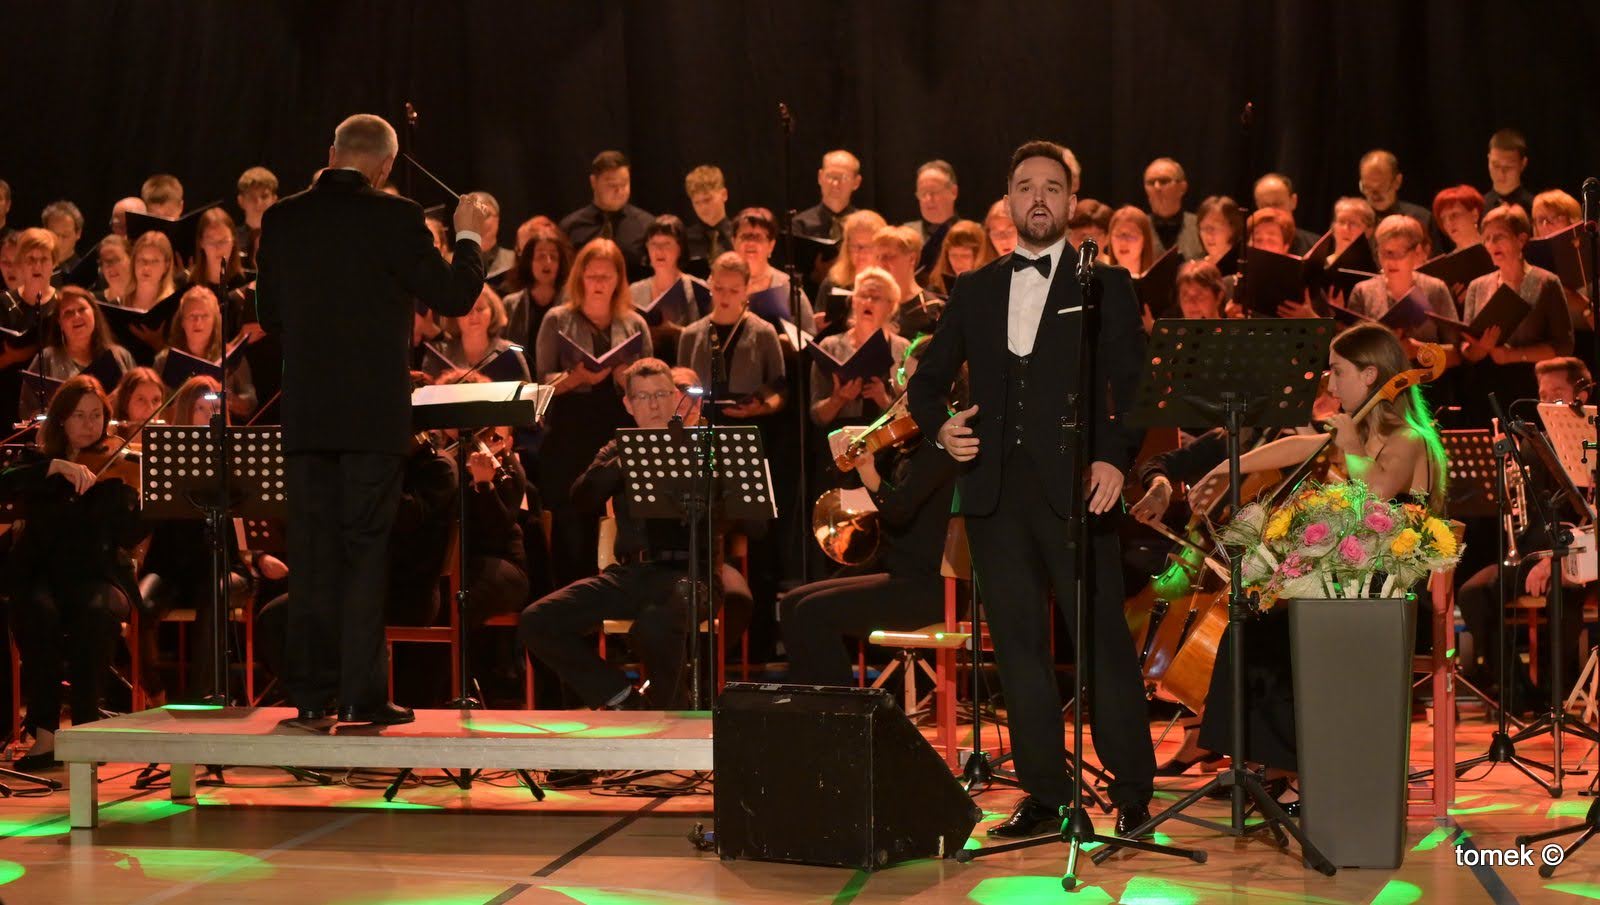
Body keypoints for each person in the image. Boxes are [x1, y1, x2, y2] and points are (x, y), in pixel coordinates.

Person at [906, 139, 1153, 838]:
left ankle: (1134, 793)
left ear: (1070, 201)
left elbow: (1137, 389)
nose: (1038, 198)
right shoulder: (976, 288)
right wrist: (941, 428)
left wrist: (1114, 459)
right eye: (1025, 186)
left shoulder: (1104, 284)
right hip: (993, 494)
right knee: (1017, 650)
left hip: (1079, 490)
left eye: (1051, 186)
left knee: (1102, 643)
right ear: (1008, 201)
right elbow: (926, 383)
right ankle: (1046, 795)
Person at [255, 112, 490, 725]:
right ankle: (362, 695)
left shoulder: (282, 218)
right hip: (372, 421)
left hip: (308, 418)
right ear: (385, 167)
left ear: (331, 151)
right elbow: (455, 295)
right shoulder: (397, 217)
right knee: (364, 554)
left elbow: (269, 315)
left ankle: (311, 694)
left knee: (312, 556)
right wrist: (468, 236)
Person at [1187, 324, 1450, 809]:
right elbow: (1297, 448)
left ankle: (1305, 772)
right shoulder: (1360, 431)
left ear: (1370, 374)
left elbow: (1373, 495)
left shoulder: (1409, 439)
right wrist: (1229, 466)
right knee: (1248, 630)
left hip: (1384, 595)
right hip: (1347, 586)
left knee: (1281, 636)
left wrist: (1349, 446)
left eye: (1337, 371)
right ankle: (1274, 763)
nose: (1329, 383)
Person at [518, 357, 754, 709]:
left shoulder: (705, 449)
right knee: (537, 621)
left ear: (674, 397)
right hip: (630, 574)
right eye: (643, 397)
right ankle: (623, 698)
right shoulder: (618, 448)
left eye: (661, 394)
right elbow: (582, 498)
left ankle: (674, 713)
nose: (654, 405)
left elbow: (746, 519)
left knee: (654, 624)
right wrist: (631, 459)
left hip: (692, 575)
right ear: (628, 405)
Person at [2, 376, 147, 769]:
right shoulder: (38, 463)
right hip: (39, 573)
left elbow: (128, 536)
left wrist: (145, 501)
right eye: (79, 415)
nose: (89, 424)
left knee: (96, 614)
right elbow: (5, 482)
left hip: (96, 574)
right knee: (38, 614)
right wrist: (54, 467)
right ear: (62, 420)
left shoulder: (117, 469)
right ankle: (46, 733)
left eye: (97, 415)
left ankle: (85, 725)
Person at [1456, 357, 1591, 709]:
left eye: (1557, 392)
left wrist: (1550, 561)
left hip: (1577, 555)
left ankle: (1553, 694)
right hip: (1530, 552)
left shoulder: (1590, 441)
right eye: (1543, 395)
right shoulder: (1533, 442)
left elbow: (1587, 518)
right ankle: (1515, 691)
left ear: (1582, 393)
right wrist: (1506, 465)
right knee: (1473, 593)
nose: (1547, 402)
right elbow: (1520, 510)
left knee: (1563, 592)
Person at [534, 237, 653, 588]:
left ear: (619, 280)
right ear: (580, 278)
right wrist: (577, 378)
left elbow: (650, 383)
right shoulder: (557, 319)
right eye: (592, 276)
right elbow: (541, 382)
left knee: (619, 519)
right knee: (571, 524)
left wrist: (625, 378)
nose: (599, 283)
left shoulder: (634, 323)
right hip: (570, 431)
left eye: (606, 276)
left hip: (617, 427)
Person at [1458, 204, 1574, 412]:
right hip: (1487, 388)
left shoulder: (1546, 282)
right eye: (1487, 238)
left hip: (1535, 385)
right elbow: (1468, 349)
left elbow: (1564, 346)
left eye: (1499, 237)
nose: (1492, 244)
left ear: (1521, 239)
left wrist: (1512, 355)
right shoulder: (1477, 286)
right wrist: (1482, 348)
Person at [676, 252, 786, 418]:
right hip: (700, 422)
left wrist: (761, 408)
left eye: (734, 290)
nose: (725, 296)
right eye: (719, 288)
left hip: (749, 423)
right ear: (710, 283)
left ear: (746, 289)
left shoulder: (764, 332)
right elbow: (680, 387)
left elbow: (779, 388)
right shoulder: (690, 334)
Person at [19, 287, 135, 421]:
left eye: (82, 309)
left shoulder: (120, 356)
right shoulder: (46, 358)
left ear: (94, 313)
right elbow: (28, 411)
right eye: (68, 313)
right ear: (60, 322)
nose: (77, 316)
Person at [1345, 215, 1460, 348]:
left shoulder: (1435, 289)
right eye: (1385, 253)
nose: (1390, 261)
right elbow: (1351, 349)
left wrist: (1417, 349)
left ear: (1417, 252)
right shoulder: (1363, 291)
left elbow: (1455, 351)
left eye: (1398, 253)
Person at [153, 285, 257, 419]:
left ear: (215, 321)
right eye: (192, 316)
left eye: (205, 316)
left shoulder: (230, 356)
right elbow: (154, 409)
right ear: (182, 321)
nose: (198, 321)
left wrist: (225, 397)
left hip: (220, 428)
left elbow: (250, 402)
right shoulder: (164, 360)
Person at [558, 150, 653, 281]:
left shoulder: (646, 225)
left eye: (624, 183)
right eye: (612, 185)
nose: (619, 190)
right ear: (593, 182)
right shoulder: (571, 227)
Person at [628, 214, 707, 362]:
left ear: (680, 248)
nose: (659, 250)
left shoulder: (696, 288)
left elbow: (708, 338)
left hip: (685, 365)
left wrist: (679, 332)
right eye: (654, 244)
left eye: (667, 244)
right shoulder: (634, 291)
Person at [421, 285, 530, 383]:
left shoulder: (509, 352)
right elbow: (425, 395)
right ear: (455, 316)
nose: (474, 316)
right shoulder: (439, 353)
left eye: (480, 309)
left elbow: (528, 394)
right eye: (467, 310)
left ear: (492, 312)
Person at [500, 222, 573, 350]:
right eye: (541, 256)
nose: (548, 262)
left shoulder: (571, 303)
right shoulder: (510, 304)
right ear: (529, 262)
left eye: (553, 257)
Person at [815, 209, 887, 337]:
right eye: (855, 246)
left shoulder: (889, 285)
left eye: (867, 246)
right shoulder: (833, 282)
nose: (860, 253)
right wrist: (816, 326)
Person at [873, 225, 941, 336]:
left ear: (911, 259)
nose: (881, 264)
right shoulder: (870, 303)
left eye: (888, 256)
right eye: (877, 257)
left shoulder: (932, 308)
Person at [1358, 149, 1435, 240]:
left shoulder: (1421, 218)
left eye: (1381, 186)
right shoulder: (1353, 221)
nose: (1374, 195)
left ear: (1397, 182)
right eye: (1367, 187)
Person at [905, 160, 960, 277]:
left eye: (934, 192)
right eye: (923, 193)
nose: (928, 199)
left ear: (953, 192)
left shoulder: (974, 233)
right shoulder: (904, 235)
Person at [1142, 158, 1202, 259]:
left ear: (1182, 187)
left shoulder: (1201, 227)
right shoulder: (1138, 228)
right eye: (1151, 182)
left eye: (1164, 181)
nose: (1157, 187)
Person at [1254, 173, 1321, 254]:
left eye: (1277, 204)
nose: (1271, 211)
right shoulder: (1247, 246)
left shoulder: (1314, 247)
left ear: (1293, 201)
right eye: (1264, 206)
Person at [682, 165, 735, 267]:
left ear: (724, 194)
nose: (703, 207)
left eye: (707, 200)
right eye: (696, 202)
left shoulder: (738, 236)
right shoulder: (685, 240)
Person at [926, 220, 993, 297]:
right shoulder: (935, 290)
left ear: (980, 256)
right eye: (953, 255)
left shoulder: (992, 285)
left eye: (965, 256)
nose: (958, 261)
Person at [462, 191, 516, 285]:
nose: (480, 221)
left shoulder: (515, 261)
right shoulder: (450, 262)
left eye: (486, 214)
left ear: (498, 219)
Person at [235, 166, 279, 268]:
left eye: (264, 196)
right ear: (240, 201)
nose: (258, 203)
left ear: (274, 199)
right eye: (251, 196)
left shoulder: (284, 237)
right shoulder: (231, 240)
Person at [1484, 128, 1534, 213]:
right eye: (1496, 165)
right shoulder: (1478, 208)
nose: (1501, 173)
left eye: (1509, 167)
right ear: (1488, 159)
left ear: (1523, 164)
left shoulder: (1535, 209)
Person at [1194, 195, 1244, 273]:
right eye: (1204, 228)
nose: (1208, 235)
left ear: (1233, 228)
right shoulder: (1195, 268)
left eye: (1213, 228)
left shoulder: (1243, 268)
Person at [1106, 205, 1158, 276]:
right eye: (1118, 235)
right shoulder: (1099, 280)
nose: (1123, 242)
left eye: (1131, 235)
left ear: (1145, 240)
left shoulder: (1157, 280)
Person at [1433, 184, 1485, 254]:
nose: (1448, 223)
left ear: (1474, 215)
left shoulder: (1494, 250)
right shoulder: (1449, 260)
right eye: (1443, 219)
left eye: (1454, 215)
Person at [42, 201, 84, 274]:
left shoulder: (86, 274)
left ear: (78, 233)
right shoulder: (34, 269)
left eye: (65, 235)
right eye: (54, 234)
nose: (58, 241)